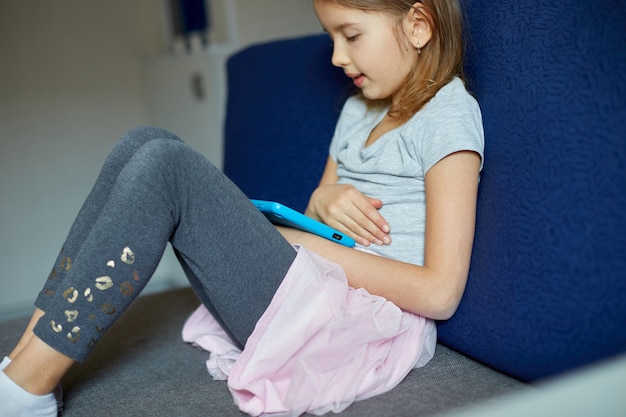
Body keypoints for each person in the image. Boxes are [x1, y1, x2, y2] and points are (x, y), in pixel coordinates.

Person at [0, 0, 484, 415]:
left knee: (166, 165)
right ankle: (27, 360)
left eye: (351, 35)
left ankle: (25, 390)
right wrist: (319, 202)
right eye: (331, 37)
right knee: (143, 141)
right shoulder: (358, 110)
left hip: (358, 323)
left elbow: (439, 293)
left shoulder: (447, 115)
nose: (338, 56)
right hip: (314, 284)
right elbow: (318, 224)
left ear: (419, 25)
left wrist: (304, 241)